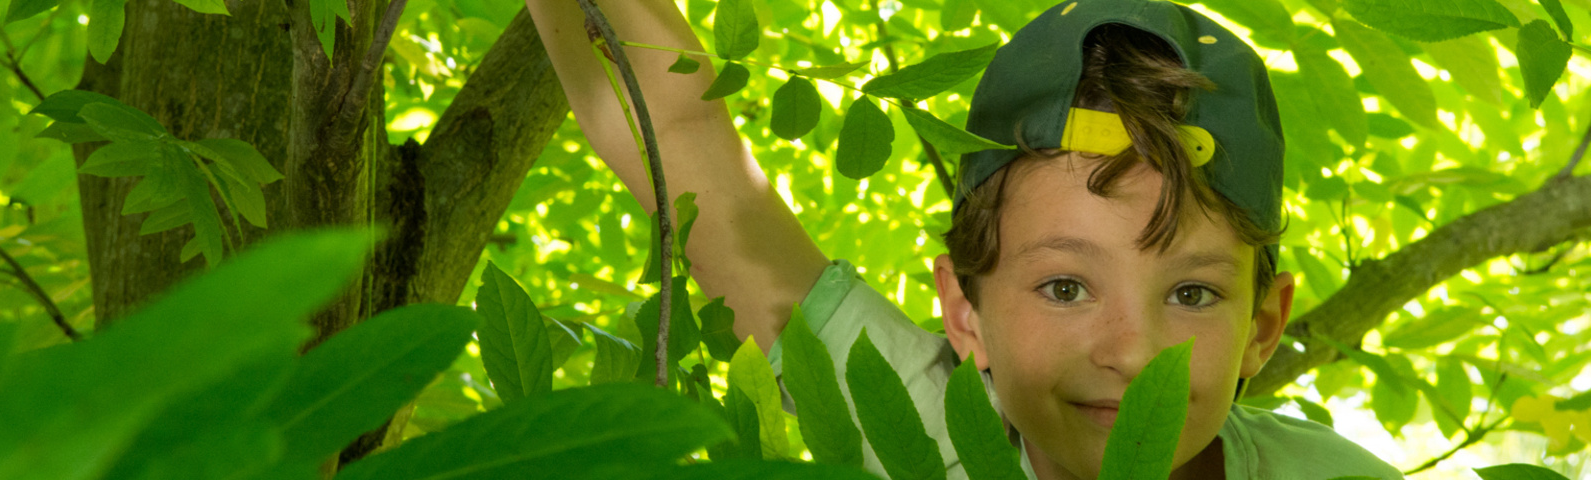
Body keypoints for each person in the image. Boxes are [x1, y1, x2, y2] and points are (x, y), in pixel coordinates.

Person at [529, 0, 1405, 478]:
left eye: (1192, 292)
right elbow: (695, 160)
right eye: (1065, 286)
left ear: (1265, 324)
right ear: (965, 310)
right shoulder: (920, 430)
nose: (1133, 353)